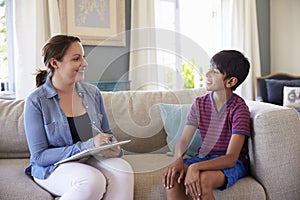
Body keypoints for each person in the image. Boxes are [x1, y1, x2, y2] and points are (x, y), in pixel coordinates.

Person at [24, 34, 134, 200]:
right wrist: (88, 145)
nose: (84, 63)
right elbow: (39, 156)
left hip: (88, 160)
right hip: (52, 167)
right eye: (76, 59)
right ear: (55, 63)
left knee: (123, 170)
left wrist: (112, 147)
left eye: (83, 57)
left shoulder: (93, 93)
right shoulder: (36, 101)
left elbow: (106, 132)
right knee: (92, 181)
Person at [163, 50, 251, 200]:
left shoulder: (239, 109)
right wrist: (178, 159)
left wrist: (195, 167)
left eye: (215, 72)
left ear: (230, 82)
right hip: (205, 157)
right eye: (210, 68)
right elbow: (183, 141)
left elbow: (230, 158)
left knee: (203, 181)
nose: (207, 74)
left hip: (232, 163)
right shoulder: (199, 104)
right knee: (173, 177)